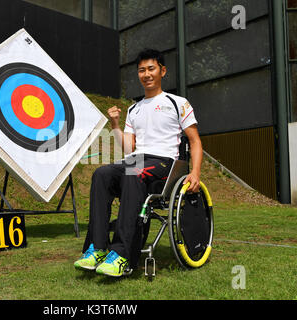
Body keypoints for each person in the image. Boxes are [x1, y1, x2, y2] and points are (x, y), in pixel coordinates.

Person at [74, 49, 203, 277]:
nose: (146, 74)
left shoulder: (177, 103)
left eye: (151, 68)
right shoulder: (134, 109)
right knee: (102, 173)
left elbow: (194, 141)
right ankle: (97, 248)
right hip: (137, 161)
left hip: (166, 164)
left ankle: (122, 254)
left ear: (162, 71)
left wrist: (195, 173)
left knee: (133, 171)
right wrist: (115, 124)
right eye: (141, 70)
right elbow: (128, 148)